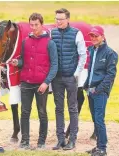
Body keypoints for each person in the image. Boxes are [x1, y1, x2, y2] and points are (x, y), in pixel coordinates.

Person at [11, 13, 58, 149]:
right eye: (31, 25)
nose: (33, 28)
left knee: (42, 112)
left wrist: (46, 82)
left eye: (36, 25)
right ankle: (24, 141)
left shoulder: (50, 43)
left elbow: (54, 65)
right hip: (26, 82)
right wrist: (17, 62)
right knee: (25, 112)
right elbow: (23, 62)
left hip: (41, 84)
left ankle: (41, 142)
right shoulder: (25, 41)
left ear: (41, 24)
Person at [51, 8, 87, 150]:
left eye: (61, 19)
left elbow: (83, 55)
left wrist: (76, 74)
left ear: (67, 20)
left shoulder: (76, 33)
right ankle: (61, 139)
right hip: (56, 78)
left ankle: (72, 139)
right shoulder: (52, 33)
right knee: (58, 109)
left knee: (72, 108)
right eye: (56, 19)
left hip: (70, 77)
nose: (58, 21)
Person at [84, 26, 118, 156]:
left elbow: (110, 75)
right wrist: (87, 86)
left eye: (96, 36)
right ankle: (98, 146)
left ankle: (102, 148)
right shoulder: (92, 50)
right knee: (95, 119)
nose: (93, 38)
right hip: (91, 91)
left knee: (99, 119)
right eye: (91, 36)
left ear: (102, 37)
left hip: (100, 92)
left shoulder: (110, 53)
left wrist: (98, 89)